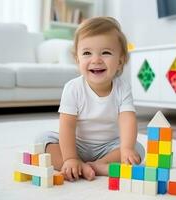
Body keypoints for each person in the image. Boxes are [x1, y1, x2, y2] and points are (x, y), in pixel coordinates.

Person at [36, 16, 145, 182]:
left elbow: (127, 119)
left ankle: (97, 165)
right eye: (87, 53)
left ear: (120, 61)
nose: (96, 60)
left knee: (138, 149)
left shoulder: (123, 88)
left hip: (109, 147)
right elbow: (67, 125)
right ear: (77, 59)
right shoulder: (73, 88)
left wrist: (127, 149)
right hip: (76, 144)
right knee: (43, 140)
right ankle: (76, 164)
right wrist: (70, 157)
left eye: (106, 53)